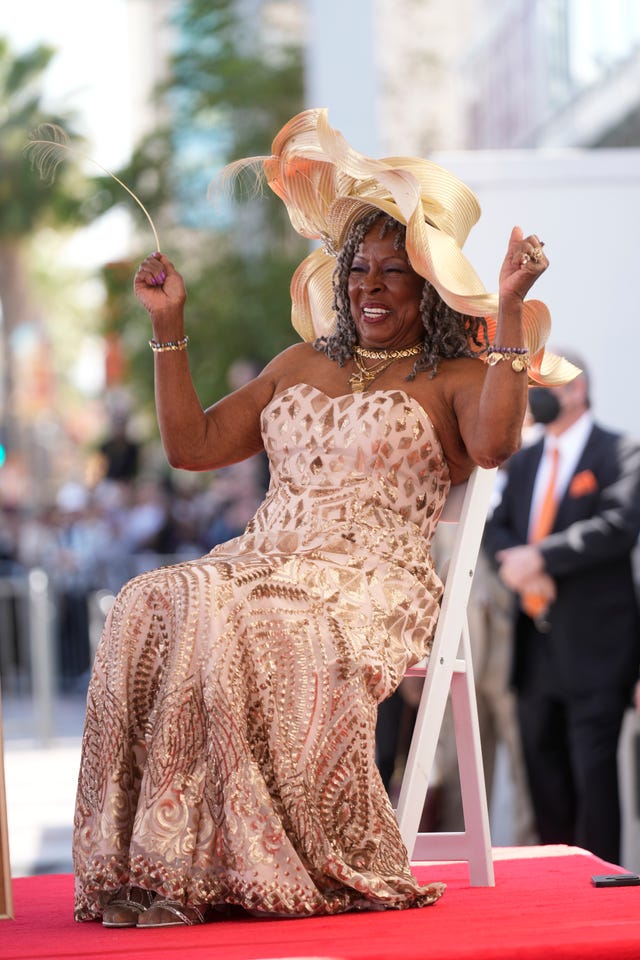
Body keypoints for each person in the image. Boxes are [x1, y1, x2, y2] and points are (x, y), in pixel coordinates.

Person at [72, 108, 576, 928]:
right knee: (152, 599)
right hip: (263, 558)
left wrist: (511, 308)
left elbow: (492, 446)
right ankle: (160, 866)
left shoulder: (453, 373)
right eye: (358, 270)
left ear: (427, 285)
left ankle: (239, 869)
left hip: (372, 581)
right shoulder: (300, 362)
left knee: (250, 621)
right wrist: (169, 329)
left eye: (392, 273)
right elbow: (194, 447)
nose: (369, 287)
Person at [484, 362, 640, 864]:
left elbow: (619, 525)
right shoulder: (525, 460)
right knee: (542, 770)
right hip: (534, 651)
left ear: (578, 389)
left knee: (593, 778)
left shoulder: (619, 451)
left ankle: (604, 891)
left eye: (544, 387)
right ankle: (558, 884)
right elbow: (497, 525)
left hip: (597, 649)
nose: (534, 397)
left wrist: (544, 558)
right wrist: (519, 567)